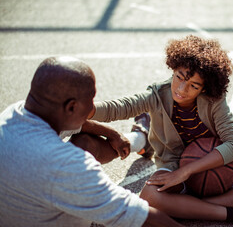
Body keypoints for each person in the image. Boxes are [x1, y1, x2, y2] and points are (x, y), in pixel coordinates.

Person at [85, 35, 233, 226]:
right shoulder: (157, 94)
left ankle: (193, 205)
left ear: (204, 88)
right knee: (149, 195)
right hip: (173, 163)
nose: (181, 89)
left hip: (212, 164)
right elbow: (121, 107)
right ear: (173, 70)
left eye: (193, 85)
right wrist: (85, 108)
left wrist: (186, 171)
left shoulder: (214, 101)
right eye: (179, 77)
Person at [0, 56, 184, 227]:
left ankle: (140, 139)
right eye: (91, 100)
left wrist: (113, 134)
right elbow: (138, 216)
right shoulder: (65, 164)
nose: (92, 106)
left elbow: (75, 124)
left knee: (86, 142)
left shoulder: (13, 114)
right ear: (72, 106)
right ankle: (141, 138)